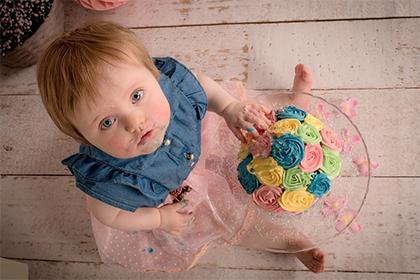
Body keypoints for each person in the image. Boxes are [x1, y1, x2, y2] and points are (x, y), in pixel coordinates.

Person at [37, 21, 325, 273]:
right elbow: (109, 215)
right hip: (174, 189)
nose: (135, 122)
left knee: (252, 121)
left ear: (154, 76)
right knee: (223, 220)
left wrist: (227, 108)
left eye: (137, 95)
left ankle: (293, 110)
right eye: (107, 122)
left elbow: (202, 85)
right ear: (83, 137)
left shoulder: (170, 85)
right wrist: (159, 217)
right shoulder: (109, 175)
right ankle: (288, 241)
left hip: (194, 137)